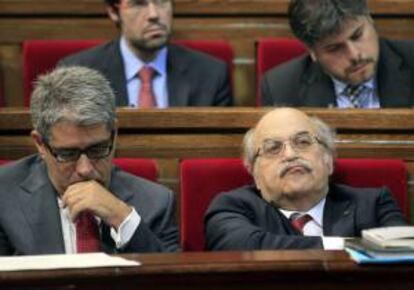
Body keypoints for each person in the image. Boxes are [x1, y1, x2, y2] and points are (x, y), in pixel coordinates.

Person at [0, 66, 179, 255]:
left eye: (98, 149)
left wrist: (123, 220)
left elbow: (173, 281)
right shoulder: (4, 196)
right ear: (40, 144)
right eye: (68, 154)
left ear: (114, 134)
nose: (85, 169)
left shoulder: (156, 203)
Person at [205, 108, 406, 250]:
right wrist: (354, 245)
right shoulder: (231, 207)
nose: (290, 154)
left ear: (328, 160)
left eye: (302, 142)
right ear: (254, 172)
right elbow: (244, 249)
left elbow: (399, 254)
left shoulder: (374, 204)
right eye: (273, 148)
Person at [59, 0, 232, 108]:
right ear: (113, 11)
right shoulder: (78, 74)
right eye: (138, 3)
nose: (154, 14)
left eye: (161, 1)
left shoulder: (211, 74)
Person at [261, 0, 414, 108]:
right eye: (334, 48)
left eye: (357, 36)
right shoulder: (281, 89)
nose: (355, 55)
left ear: (370, 19)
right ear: (312, 52)